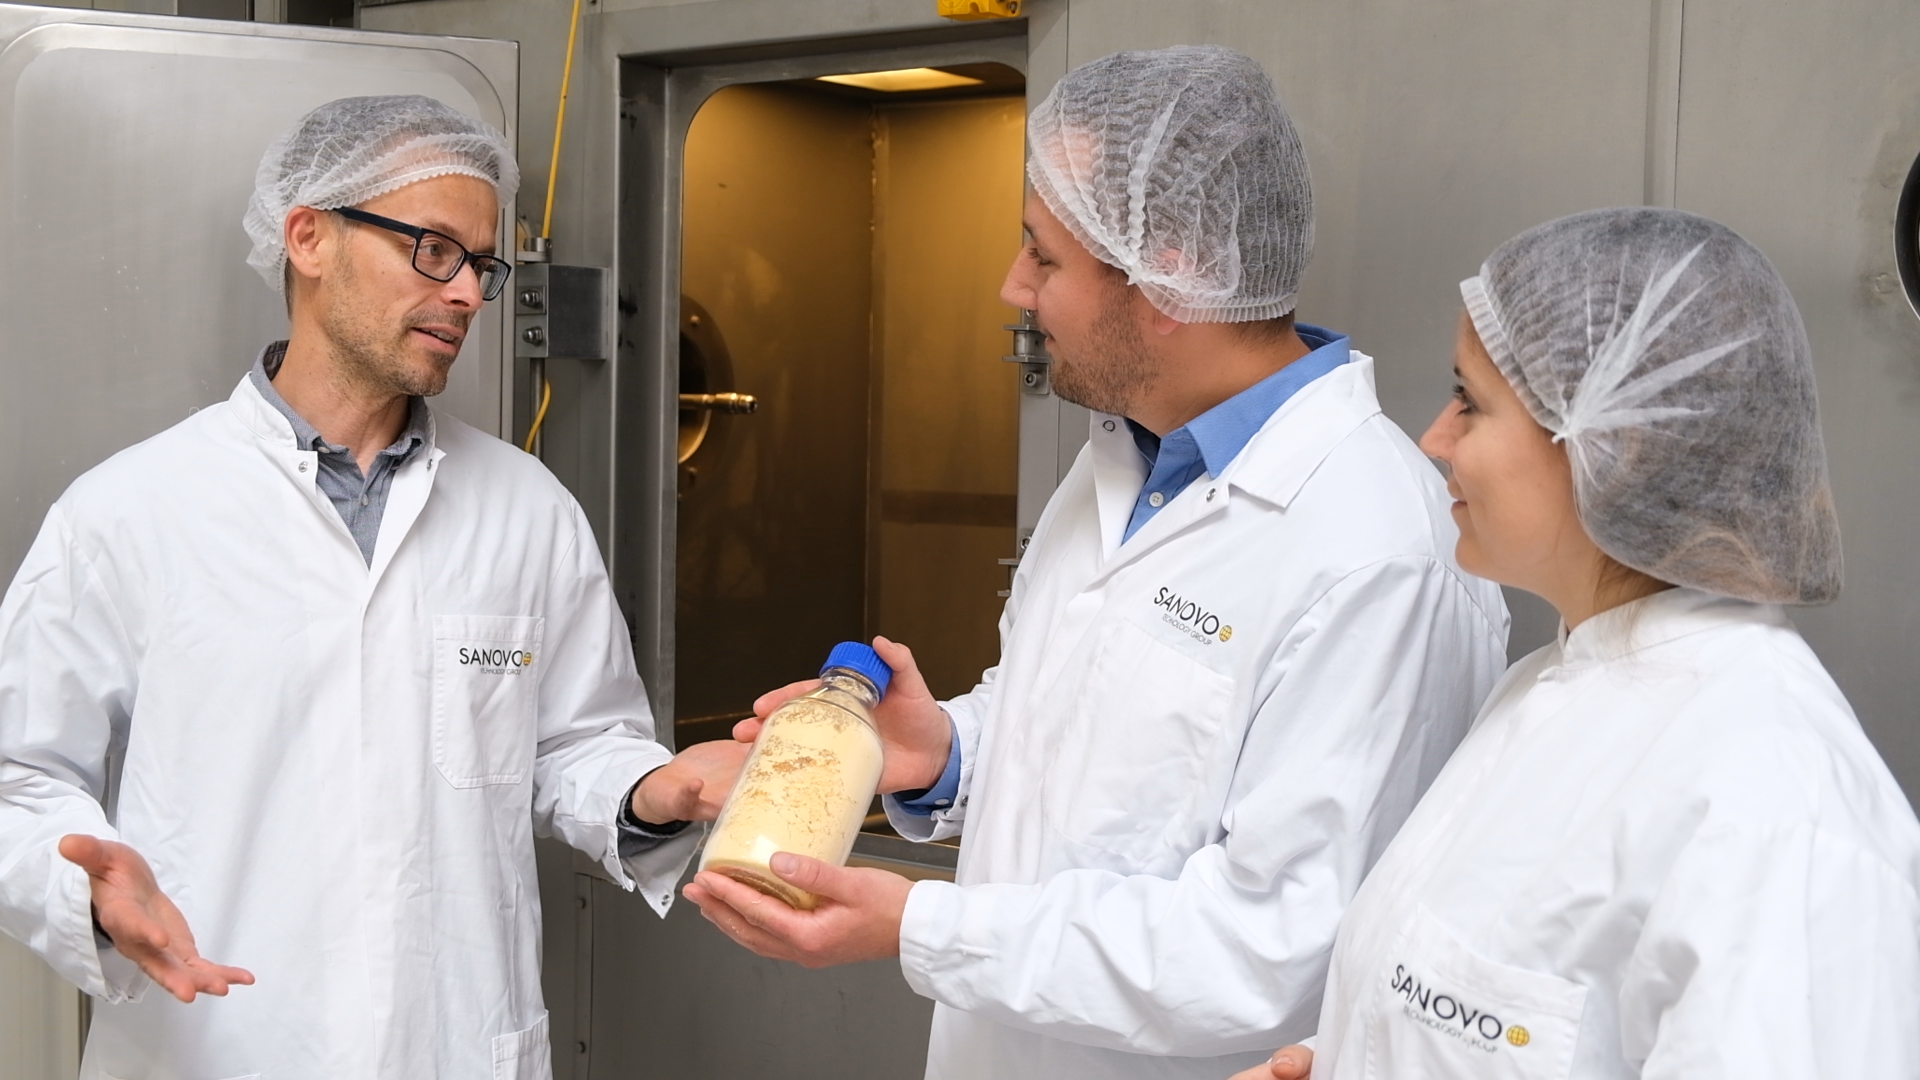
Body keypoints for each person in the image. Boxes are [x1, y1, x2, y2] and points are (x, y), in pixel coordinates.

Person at [683, 46, 1510, 1079]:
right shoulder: (1123, 458)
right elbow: (1092, 746)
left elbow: (1273, 951)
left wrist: (923, 926)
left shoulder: (1377, 549)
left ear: (1172, 273)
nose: (1010, 288)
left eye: (1043, 256)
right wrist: (944, 750)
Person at [0, 95, 744, 1078]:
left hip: (452, 1045)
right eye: (434, 249)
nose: (470, 293)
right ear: (308, 236)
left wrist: (654, 788)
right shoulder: (131, 511)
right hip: (216, 1043)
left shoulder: (526, 510)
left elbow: (576, 744)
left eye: (482, 263)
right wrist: (90, 890)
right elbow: (17, 776)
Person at [1240, 207, 1920, 1080]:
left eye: (1469, 403)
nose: (1434, 440)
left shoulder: (1776, 814)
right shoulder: (1554, 686)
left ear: (1614, 446)